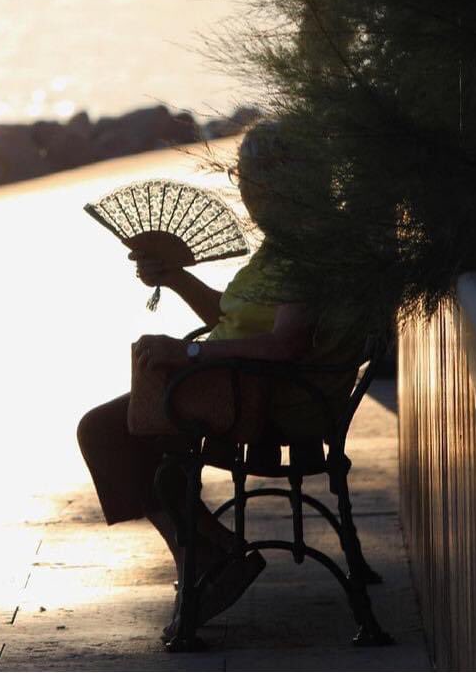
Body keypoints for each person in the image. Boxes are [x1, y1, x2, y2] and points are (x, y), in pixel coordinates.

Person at [76, 121, 364, 637]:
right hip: (236, 385)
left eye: (250, 183)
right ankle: (207, 553)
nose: (244, 194)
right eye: (243, 182)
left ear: (284, 183)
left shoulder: (309, 256)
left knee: (114, 434)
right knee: (118, 430)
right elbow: (229, 315)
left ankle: (209, 557)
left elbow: (284, 345)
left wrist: (185, 353)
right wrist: (176, 276)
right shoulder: (285, 245)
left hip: (270, 400)